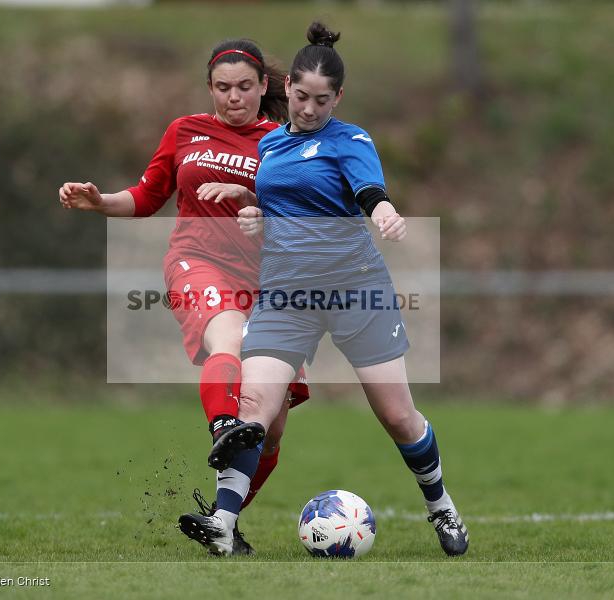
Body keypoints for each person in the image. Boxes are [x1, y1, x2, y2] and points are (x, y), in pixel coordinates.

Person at [179, 22, 469, 557]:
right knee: (253, 407)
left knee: (398, 417)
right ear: (285, 86)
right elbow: (287, 199)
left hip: (355, 290)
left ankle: (440, 505)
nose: (310, 110)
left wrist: (383, 211)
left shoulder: (351, 140)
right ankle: (222, 522)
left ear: (339, 97)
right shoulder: (270, 142)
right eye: (301, 97)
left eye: (322, 100)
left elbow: (367, 189)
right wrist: (256, 211)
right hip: (286, 293)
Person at [58, 39, 309, 555]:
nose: (232, 97)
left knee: (275, 427)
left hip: (270, 283)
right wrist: (101, 201)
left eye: (244, 87)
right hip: (198, 262)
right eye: (222, 88)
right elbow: (149, 195)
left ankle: (224, 521)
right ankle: (224, 425)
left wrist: (261, 208)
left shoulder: (284, 141)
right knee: (227, 337)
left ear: (265, 87)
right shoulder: (185, 131)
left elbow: (307, 215)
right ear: (209, 88)